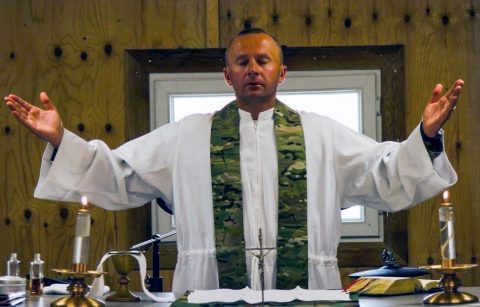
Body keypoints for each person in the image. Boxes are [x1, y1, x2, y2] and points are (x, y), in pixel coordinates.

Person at [4, 28, 462, 294]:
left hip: (306, 293)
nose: (252, 68)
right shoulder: (188, 135)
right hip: (209, 291)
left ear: (281, 72)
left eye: (263, 60)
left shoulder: (322, 133)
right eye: (241, 61)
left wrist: (425, 136)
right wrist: (63, 139)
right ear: (227, 75)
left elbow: (384, 176)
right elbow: (119, 174)